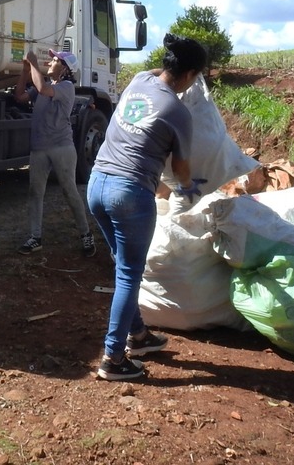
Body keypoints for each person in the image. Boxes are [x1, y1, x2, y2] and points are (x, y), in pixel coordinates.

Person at [87, 33, 209, 381]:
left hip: (97, 183)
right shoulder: (178, 111)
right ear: (188, 75)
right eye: (196, 76)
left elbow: (160, 70)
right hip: (129, 194)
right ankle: (113, 359)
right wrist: (187, 188)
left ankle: (138, 336)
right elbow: (182, 169)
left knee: (123, 264)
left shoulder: (141, 80)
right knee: (129, 274)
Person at [14, 48, 96, 257]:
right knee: (35, 192)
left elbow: (40, 89)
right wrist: (25, 70)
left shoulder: (66, 87)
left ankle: (86, 234)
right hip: (39, 147)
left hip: (62, 147)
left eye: (55, 61)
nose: (50, 62)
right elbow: (21, 96)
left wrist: (32, 63)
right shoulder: (48, 86)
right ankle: (35, 237)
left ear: (66, 69)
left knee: (70, 191)